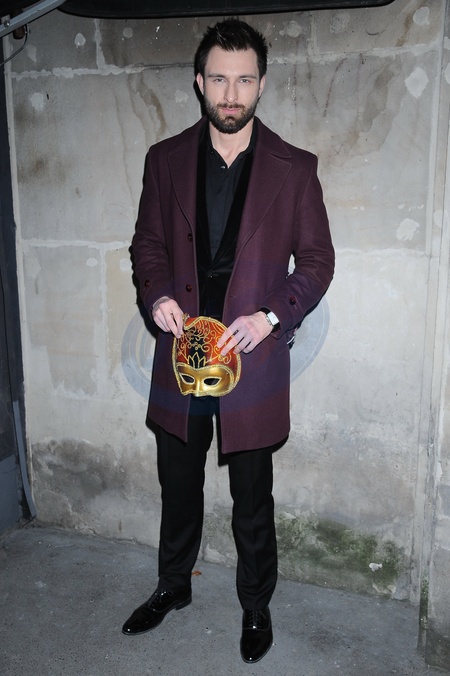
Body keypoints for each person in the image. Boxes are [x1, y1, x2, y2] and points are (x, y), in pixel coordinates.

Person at [123, 18, 334, 664]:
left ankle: (256, 605)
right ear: (199, 82)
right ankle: (173, 585)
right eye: (219, 78)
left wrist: (272, 317)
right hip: (181, 355)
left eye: (244, 80)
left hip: (253, 359)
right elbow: (147, 245)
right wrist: (156, 295)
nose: (231, 93)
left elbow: (317, 262)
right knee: (178, 484)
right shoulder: (163, 160)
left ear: (262, 83)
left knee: (252, 497)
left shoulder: (296, 169)